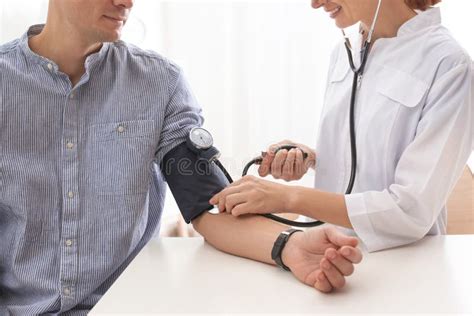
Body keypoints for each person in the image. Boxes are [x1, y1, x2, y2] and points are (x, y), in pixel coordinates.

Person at [0, 0, 363, 314]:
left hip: (128, 307)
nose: (127, 1)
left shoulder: (159, 83)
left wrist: (290, 245)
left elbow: (206, 205)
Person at [211, 0, 473, 252]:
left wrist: (287, 197)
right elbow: (367, 160)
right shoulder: (345, 53)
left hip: (402, 267)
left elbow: (411, 210)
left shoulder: (450, 65)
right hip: (322, 251)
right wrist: (313, 158)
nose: (315, 3)